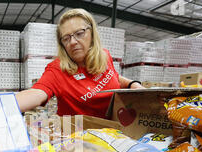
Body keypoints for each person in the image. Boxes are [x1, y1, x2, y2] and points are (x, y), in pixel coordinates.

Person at [16, 8, 144, 118]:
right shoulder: (57, 69)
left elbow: (114, 77)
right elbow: (37, 93)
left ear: (92, 33)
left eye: (79, 33)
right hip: (78, 140)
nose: (72, 42)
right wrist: (2, 107)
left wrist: (133, 85)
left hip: (112, 133)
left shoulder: (104, 56)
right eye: (66, 38)